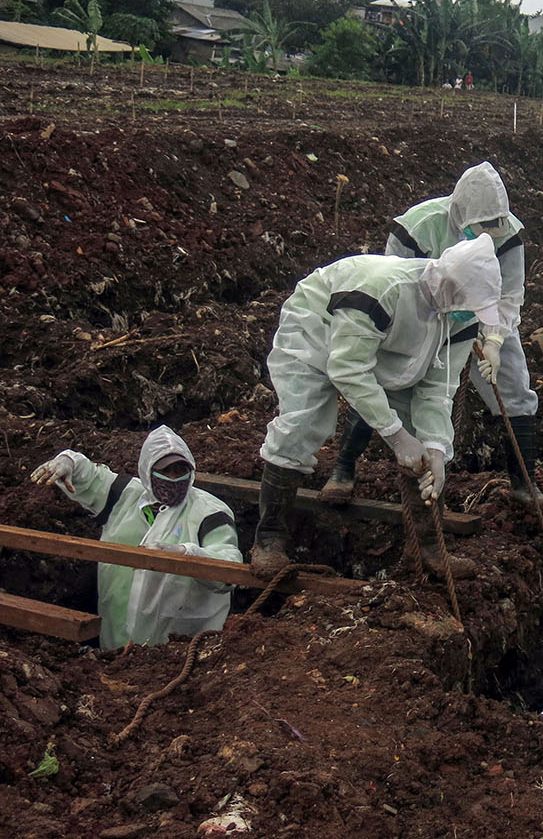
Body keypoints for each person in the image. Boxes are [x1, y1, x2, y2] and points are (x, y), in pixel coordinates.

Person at [319, 162, 543, 516]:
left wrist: (494, 340)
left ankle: (525, 484)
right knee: (388, 380)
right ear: (459, 213)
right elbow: (393, 281)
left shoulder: (508, 234)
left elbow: (509, 295)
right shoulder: (418, 227)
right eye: (479, 226)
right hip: (421, 314)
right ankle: (344, 468)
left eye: (493, 227)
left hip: (481, 313)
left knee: (513, 387)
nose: (488, 234)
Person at [250, 235, 502, 578]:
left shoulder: (460, 315)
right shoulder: (382, 291)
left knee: (422, 438)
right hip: (316, 329)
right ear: (448, 285)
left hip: (388, 346)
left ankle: (428, 549)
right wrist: (396, 436)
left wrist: (436, 447)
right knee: (302, 424)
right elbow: (349, 369)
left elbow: (437, 387)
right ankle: (269, 538)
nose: (470, 314)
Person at [29, 426, 242, 650]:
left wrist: (186, 554)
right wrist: (68, 461)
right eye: (165, 470)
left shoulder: (210, 512)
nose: (173, 478)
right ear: (148, 471)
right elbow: (90, 476)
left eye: (180, 470)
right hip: (117, 638)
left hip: (180, 648)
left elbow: (229, 568)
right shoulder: (123, 496)